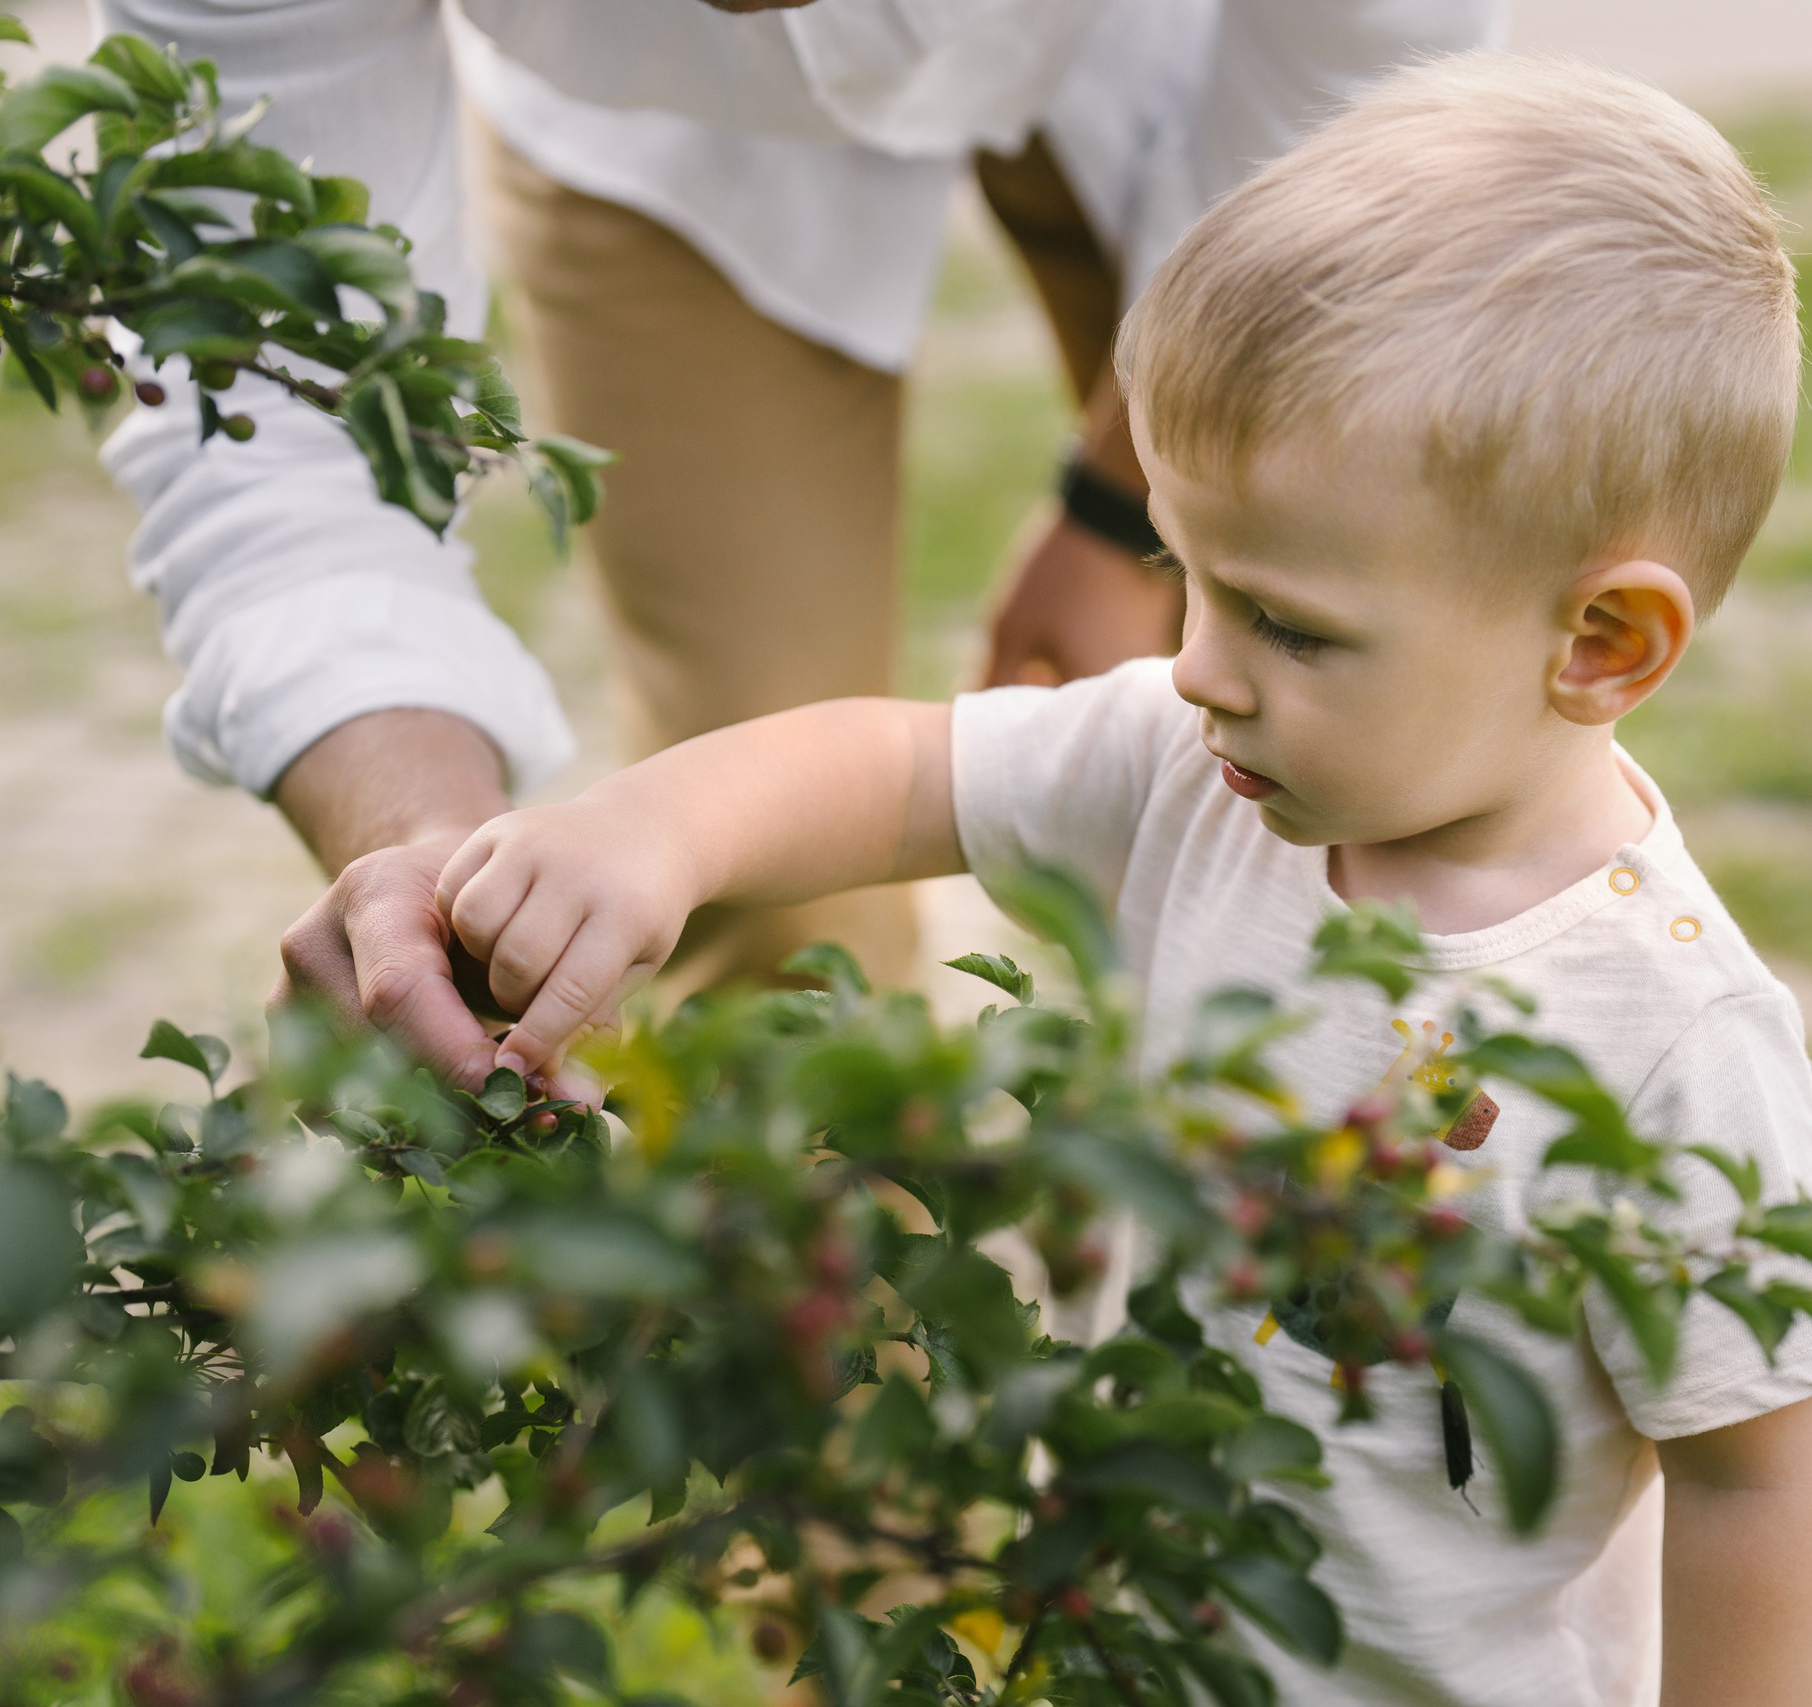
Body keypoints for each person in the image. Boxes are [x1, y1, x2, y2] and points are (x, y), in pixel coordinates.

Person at [429, 52, 1812, 1704]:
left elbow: (1756, 1474)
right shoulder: (1201, 776)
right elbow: (900, 770)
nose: (1197, 670)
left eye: (1291, 624)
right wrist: (657, 832)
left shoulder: (1671, 1036)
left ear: (1602, 643)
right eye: (1186, 575)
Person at [92, 0, 1501, 1087]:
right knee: (771, 932)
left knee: (1358, 739)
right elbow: (261, 405)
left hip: (1183, 53)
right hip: (668, 150)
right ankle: (842, 1434)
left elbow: (1356, 81)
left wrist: (1122, 502)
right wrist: (428, 851)